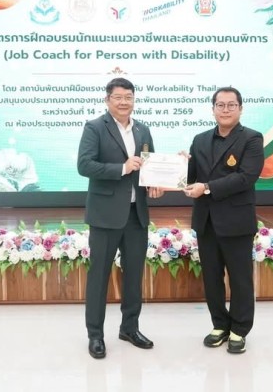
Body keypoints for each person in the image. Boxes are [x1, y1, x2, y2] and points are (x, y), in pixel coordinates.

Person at [77, 77, 164, 360]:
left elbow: (149, 166)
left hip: (136, 214)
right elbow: (84, 165)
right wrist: (122, 168)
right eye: (118, 97)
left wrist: (155, 183)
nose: (124, 102)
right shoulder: (94, 127)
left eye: (128, 97)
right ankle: (95, 335)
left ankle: (129, 328)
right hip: (105, 215)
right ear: (107, 100)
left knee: (134, 275)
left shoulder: (143, 129)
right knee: (99, 276)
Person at [184, 86, 263, 354]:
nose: (225, 109)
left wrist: (207, 188)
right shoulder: (200, 139)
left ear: (240, 108)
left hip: (236, 220)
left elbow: (246, 177)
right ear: (213, 109)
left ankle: (239, 329)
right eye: (220, 105)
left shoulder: (252, 138)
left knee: (240, 279)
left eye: (231, 105)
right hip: (206, 221)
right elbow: (190, 177)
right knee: (211, 278)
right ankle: (219, 325)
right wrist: (181, 165)